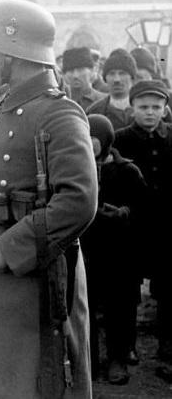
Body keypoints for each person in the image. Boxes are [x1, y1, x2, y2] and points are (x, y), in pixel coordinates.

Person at [0, 0, 96, 399]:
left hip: (32, 272)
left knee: (31, 381)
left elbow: (78, 201)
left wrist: (12, 247)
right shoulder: (7, 107)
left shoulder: (59, 115)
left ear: (14, 53)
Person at [80, 114, 146, 384]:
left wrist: (124, 213)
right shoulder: (78, 168)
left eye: (96, 139)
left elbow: (144, 209)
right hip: (87, 252)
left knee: (119, 308)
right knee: (88, 307)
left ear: (107, 140)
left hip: (120, 254)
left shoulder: (127, 171)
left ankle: (117, 359)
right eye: (87, 138)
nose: (91, 144)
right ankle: (90, 360)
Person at [113, 80, 172, 384]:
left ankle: (167, 351)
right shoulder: (119, 140)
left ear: (165, 109)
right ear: (132, 108)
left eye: (156, 108)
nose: (150, 113)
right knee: (125, 292)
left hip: (166, 230)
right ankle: (123, 352)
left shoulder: (171, 138)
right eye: (143, 107)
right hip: (130, 229)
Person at [86, 49, 138, 131]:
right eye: (111, 74)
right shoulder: (95, 111)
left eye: (122, 73)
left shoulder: (146, 109)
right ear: (105, 78)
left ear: (132, 78)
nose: (117, 79)